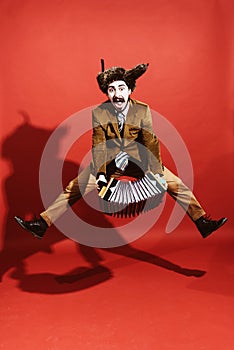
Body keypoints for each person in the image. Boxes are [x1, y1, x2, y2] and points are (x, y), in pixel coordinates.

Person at [14, 61, 227, 240]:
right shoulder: (99, 111)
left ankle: (201, 222)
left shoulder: (142, 109)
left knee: (176, 184)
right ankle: (42, 224)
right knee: (74, 187)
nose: (117, 94)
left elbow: (150, 140)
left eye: (121, 88)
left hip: (141, 161)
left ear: (130, 90)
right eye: (112, 89)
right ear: (107, 92)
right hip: (109, 163)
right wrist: (107, 170)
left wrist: (154, 171)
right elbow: (98, 144)